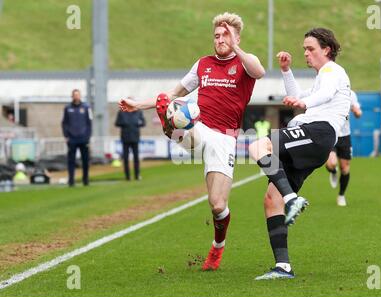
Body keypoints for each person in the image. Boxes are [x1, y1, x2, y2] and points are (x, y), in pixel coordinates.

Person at [118, 12, 265, 271]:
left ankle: (217, 248)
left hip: (225, 139)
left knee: (218, 205)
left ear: (237, 37)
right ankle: (171, 127)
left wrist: (236, 47)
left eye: (226, 35)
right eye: (217, 35)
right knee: (174, 108)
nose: (220, 39)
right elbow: (172, 94)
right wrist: (138, 105)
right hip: (200, 128)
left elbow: (260, 71)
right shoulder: (203, 64)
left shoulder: (244, 64)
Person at [248, 28, 351, 279]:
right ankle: (283, 267)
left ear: (326, 49)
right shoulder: (323, 77)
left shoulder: (332, 71)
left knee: (258, 146)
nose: (306, 53)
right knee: (272, 199)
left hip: (317, 133)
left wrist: (304, 105)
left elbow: (319, 97)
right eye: (304, 48)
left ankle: (292, 198)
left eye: (310, 48)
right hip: (315, 138)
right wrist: (285, 70)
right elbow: (297, 96)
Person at [325, 90, 362, 206]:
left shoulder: (350, 94)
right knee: (330, 163)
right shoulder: (327, 91)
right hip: (330, 134)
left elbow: (358, 111)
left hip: (345, 136)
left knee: (345, 168)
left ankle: (341, 195)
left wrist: (357, 112)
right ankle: (333, 171)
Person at [62, 89, 92, 187]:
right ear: (72, 96)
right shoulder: (67, 108)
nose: (76, 96)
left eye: (78, 95)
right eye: (75, 95)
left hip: (83, 138)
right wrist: (66, 135)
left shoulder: (86, 107)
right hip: (72, 138)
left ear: (80, 96)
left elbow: (89, 123)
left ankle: (85, 180)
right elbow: (64, 123)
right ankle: (71, 181)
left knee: (85, 160)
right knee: (71, 161)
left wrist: (88, 136)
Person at [115, 107, 146, 180]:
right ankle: (127, 176)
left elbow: (143, 122)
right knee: (125, 158)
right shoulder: (121, 112)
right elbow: (117, 123)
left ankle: (137, 175)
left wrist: (138, 123)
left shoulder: (138, 111)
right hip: (125, 138)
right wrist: (124, 123)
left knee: (136, 158)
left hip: (135, 137)